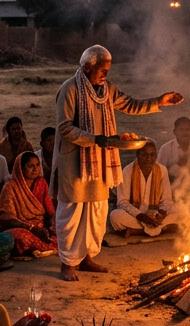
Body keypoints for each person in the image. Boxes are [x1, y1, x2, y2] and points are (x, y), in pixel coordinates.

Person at [54, 45, 182, 282]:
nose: (106, 75)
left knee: (97, 211)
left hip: (100, 160)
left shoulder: (106, 90)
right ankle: (67, 262)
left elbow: (130, 104)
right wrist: (96, 139)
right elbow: (64, 128)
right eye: (102, 70)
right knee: (72, 213)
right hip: (74, 162)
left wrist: (159, 101)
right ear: (88, 67)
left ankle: (86, 258)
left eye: (108, 70)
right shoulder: (69, 89)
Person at [0, 153, 58, 257]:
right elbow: (6, 218)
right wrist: (31, 228)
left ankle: (38, 249)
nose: (35, 169)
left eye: (37, 165)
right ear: (20, 169)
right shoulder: (10, 187)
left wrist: (50, 226)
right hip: (21, 227)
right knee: (20, 237)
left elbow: (50, 211)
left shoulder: (41, 183)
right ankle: (39, 248)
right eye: (30, 166)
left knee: (62, 234)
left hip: (40, 228)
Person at [110, 140, 180, 237]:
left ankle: (136, 231)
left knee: (181, 210)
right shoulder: (127, 171)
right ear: (137, 155)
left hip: (156, 215)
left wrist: (161, 213)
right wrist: (141, 216)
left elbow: (167, 200)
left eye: (152, 155)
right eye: (144, 155)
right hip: (136, 216)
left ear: (156, 156)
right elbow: (122, 202)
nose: (149, 159)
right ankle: (162, 229)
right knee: (115, 216)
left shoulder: (162, 170)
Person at [158, 117, 190, 196]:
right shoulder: (166, 149)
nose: (184, 133)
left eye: (187, 130)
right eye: (181, 130)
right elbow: (160, 175)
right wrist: (178, 166)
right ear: (175, 132)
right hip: (173, 189)